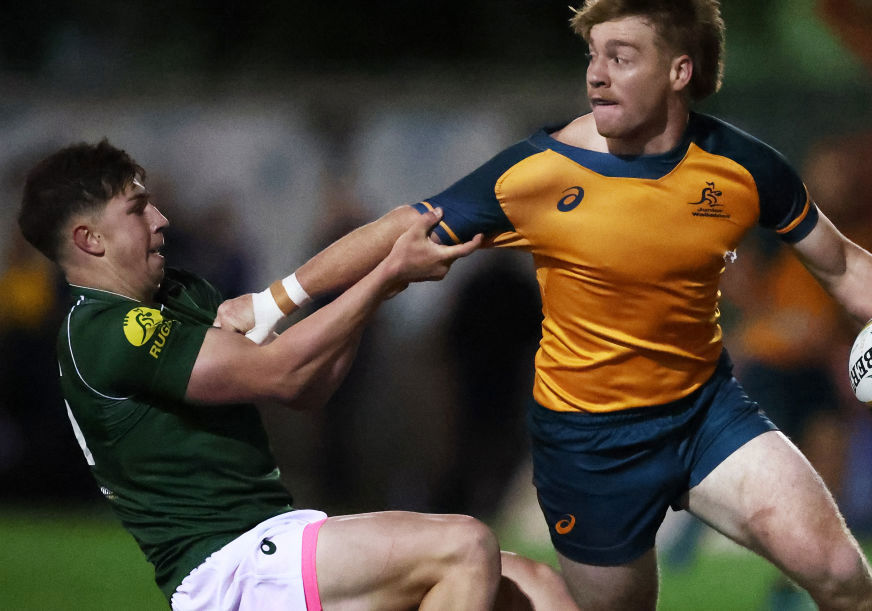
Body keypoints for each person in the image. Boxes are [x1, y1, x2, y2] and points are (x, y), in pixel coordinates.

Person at [218, 0, 872, 610]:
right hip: (588, 444)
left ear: (680, 71)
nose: (595, 73)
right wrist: (269, 302)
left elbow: (838, 262)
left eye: (620, 55)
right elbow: (399, 225)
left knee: (839, 569)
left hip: (707, 414)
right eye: (593, 55)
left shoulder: (744, 166)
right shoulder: (539, 172)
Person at [17, 140, 579, 611]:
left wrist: (369, 290)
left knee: (537, 589)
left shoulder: (180, 294)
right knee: (464, 544)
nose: (161, 219)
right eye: (137, 208)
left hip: (277, 540)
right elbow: (284, 372)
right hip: (227, 572)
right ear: (90, 239)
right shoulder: (106, 331)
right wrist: (385, 278)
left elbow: (310, 388)